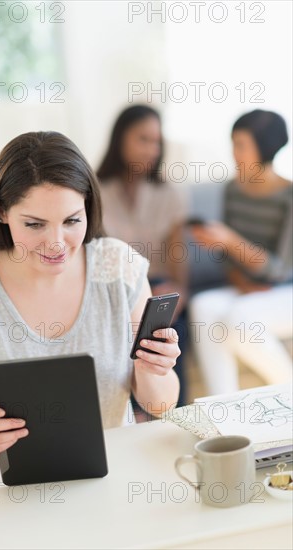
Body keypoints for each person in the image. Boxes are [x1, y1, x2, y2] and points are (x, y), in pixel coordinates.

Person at [0, 131, 180, 464]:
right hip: (3, 488)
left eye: (72, 220)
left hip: (112, 477)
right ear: (2, 212)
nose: (57, 244)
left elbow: (159, 405)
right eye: (35, 225)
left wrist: (154, 370)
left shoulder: (120, 268)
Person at [189, 110, 293, 395]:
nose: (234, 154)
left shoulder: (289, 196)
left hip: (284, 291)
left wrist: (231, 240)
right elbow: (225, 257)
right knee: (202, 306)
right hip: (247, 287)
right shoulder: (232, 190)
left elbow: (281, 269)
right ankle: (222, 407)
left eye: (240, 145)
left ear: (265, 147)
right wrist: (239, 279)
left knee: (239, 319)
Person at [97, 105, 188, 407]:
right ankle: (132, 416)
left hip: (159, 286)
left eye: (157, 141)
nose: (152, 149)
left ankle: (174, 414)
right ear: (120, 138)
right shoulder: (94, 192)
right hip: (114, 290)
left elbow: (179, 265)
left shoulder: (169, 194)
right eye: (143, 139)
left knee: (169, 331)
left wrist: (178, 292)